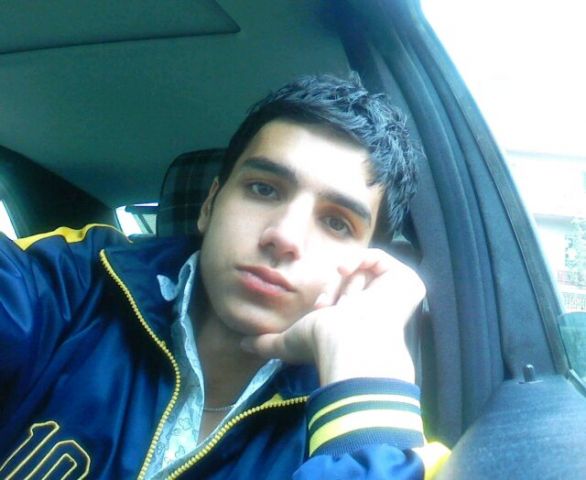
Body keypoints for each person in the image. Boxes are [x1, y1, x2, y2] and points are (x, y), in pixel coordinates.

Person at [0, 74, 448, 479]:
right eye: (263, 189)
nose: (284, 236)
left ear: (365, 268)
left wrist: (361, 375)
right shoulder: (74, 282)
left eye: (336, 223)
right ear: (210, 204)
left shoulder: (381, 440)